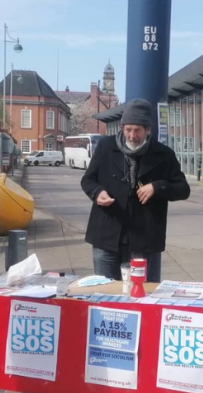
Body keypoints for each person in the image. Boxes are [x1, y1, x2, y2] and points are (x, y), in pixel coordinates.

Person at [80, 98, 190, 282]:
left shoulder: (163, 154)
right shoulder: (106, 147)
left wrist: (158, 186)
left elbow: (183, 189)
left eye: (137, 130)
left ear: (148, 130)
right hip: (106, 235)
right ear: (122, 127)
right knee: (105, 293)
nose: (131, 136)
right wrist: (97, 192)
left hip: (144, 239)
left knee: (142, 296)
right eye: (128, 129)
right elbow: (88, 180)